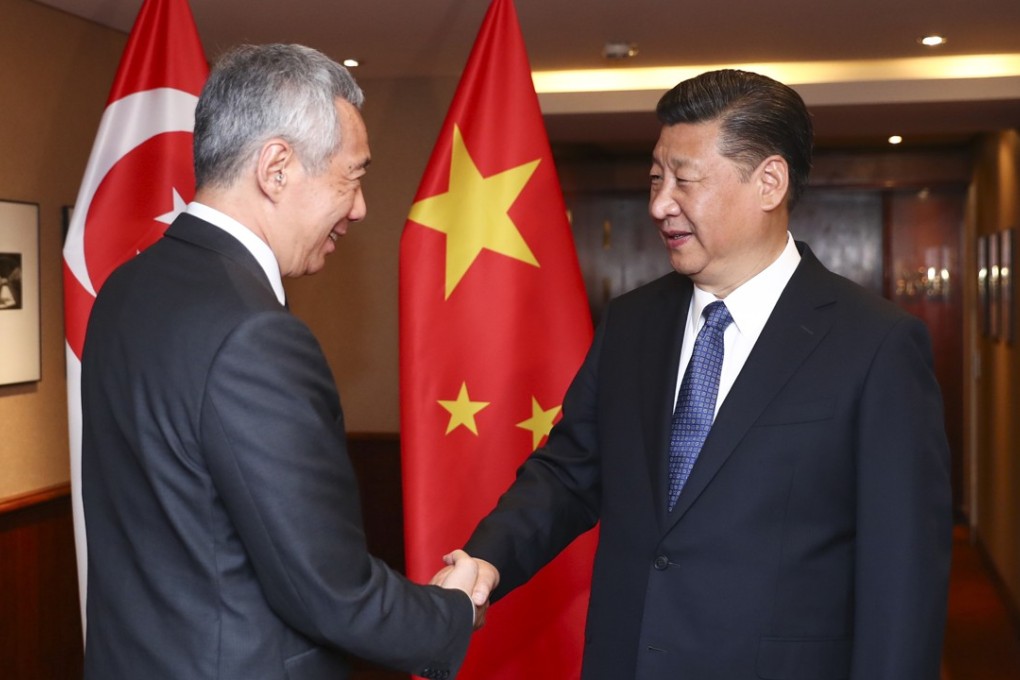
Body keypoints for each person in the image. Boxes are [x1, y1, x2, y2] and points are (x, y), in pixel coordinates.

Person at [453, 69, 953, 679]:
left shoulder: (874, 344)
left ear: (769, 181)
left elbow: (902, 577)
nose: (660, 204)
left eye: (684, 181)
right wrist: (487, 559)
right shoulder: (633, 322)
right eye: (656, 178)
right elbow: (570, 472)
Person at [81, 44, 477, 680]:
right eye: (353, 176)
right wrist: (453, 610)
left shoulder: (124, 290)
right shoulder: (256, 333)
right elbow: (328, 591)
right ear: (276, 168)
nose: (360, 207)